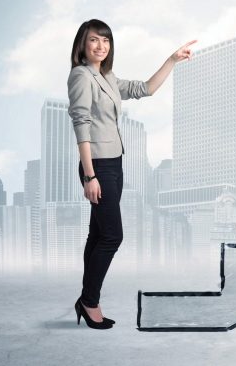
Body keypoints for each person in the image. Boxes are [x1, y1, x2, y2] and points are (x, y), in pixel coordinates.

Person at [67, 18, 196, 329]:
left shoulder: (107, 77)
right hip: (97, 166)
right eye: (94, 40)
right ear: (83, 44)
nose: (101, 46)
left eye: (106, 41)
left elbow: (146, 89)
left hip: (114, 163)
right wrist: (89, 176)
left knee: (98, 234)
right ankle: (89, 301)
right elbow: (81, 124)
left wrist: (171, 60)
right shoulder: (81, 77)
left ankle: (86, 298)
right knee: (113, 235)